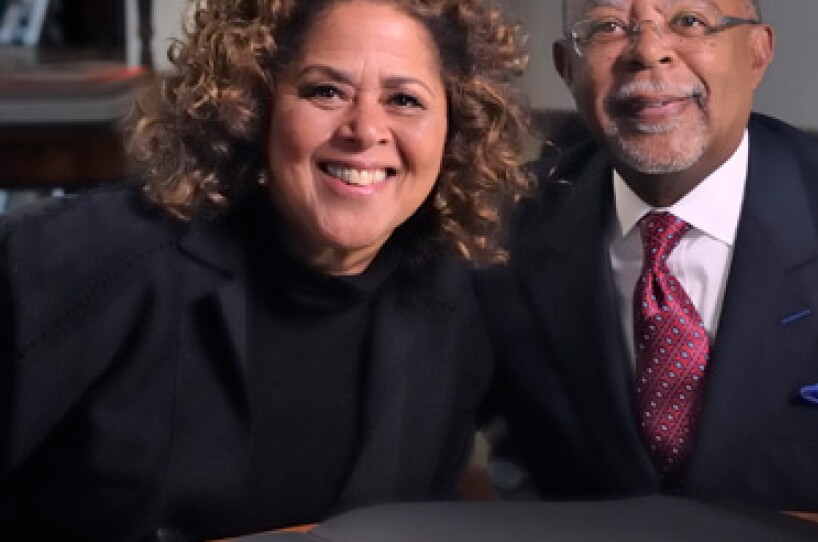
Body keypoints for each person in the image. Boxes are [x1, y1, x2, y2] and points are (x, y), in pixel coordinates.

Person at [0, 0, 531, 539]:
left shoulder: (463, 294)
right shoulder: (85, 258)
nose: (365, 129)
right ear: (254, 106)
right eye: (326, 91)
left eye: (404, 99)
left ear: (455, 130)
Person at [477, 0, 818, 516]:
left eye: (689, 21)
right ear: (567, 67)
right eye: (609, 27)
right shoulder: (501, 229)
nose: (648, 51)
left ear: (757, 53)